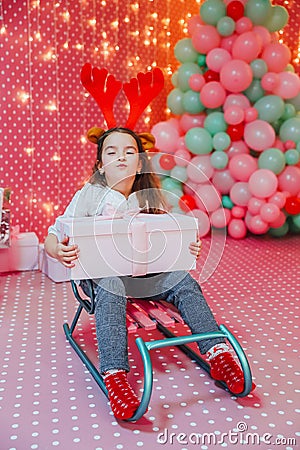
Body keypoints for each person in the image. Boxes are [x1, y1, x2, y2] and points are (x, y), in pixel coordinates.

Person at [45, 126, 255, 421]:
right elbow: (54, 233)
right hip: (104, 278)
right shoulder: (88, 195)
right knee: (111, 283)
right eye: (112, 152)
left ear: (140, 161)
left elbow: (166, 237)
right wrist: (58, 249)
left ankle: (218, 353)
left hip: (146, 275)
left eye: (129, 152)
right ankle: (116, 374)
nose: (121, 157)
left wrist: (185, 248)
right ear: (100, 166)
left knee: (184, 280)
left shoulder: (149, 196)